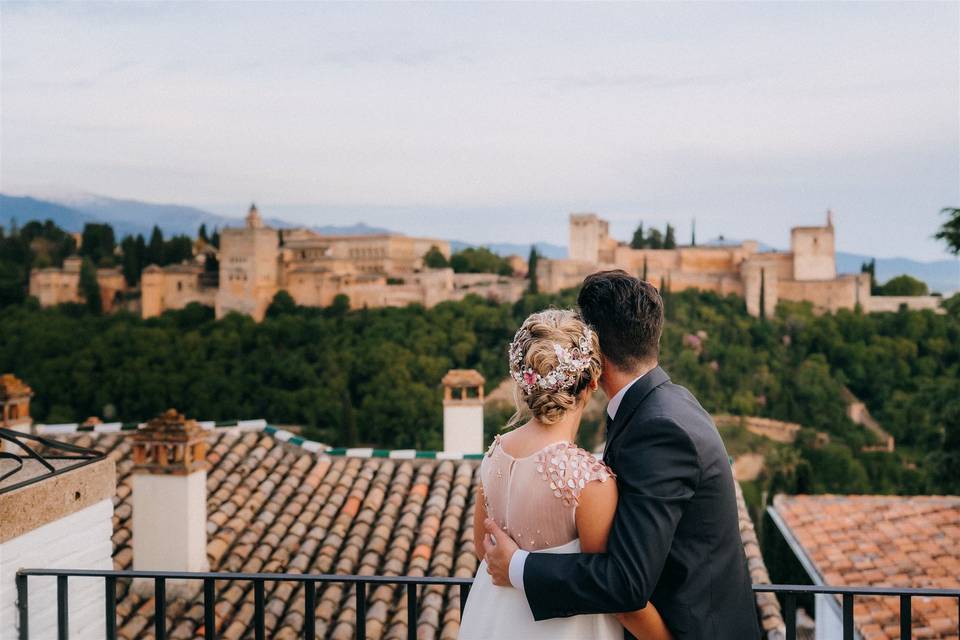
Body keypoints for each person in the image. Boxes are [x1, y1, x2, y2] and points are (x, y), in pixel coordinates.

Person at [482, 270, 760, 640]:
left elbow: (627, 582)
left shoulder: (660, 430)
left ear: (594, 347)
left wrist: (518, 566)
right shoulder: (667, 401)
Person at [459, 308, 673, 640]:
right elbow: (614, 594)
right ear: (592, 383)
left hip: (491, 621)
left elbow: (480, 547)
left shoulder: (494, 455)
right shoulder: (588, 481)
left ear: (523, 380)